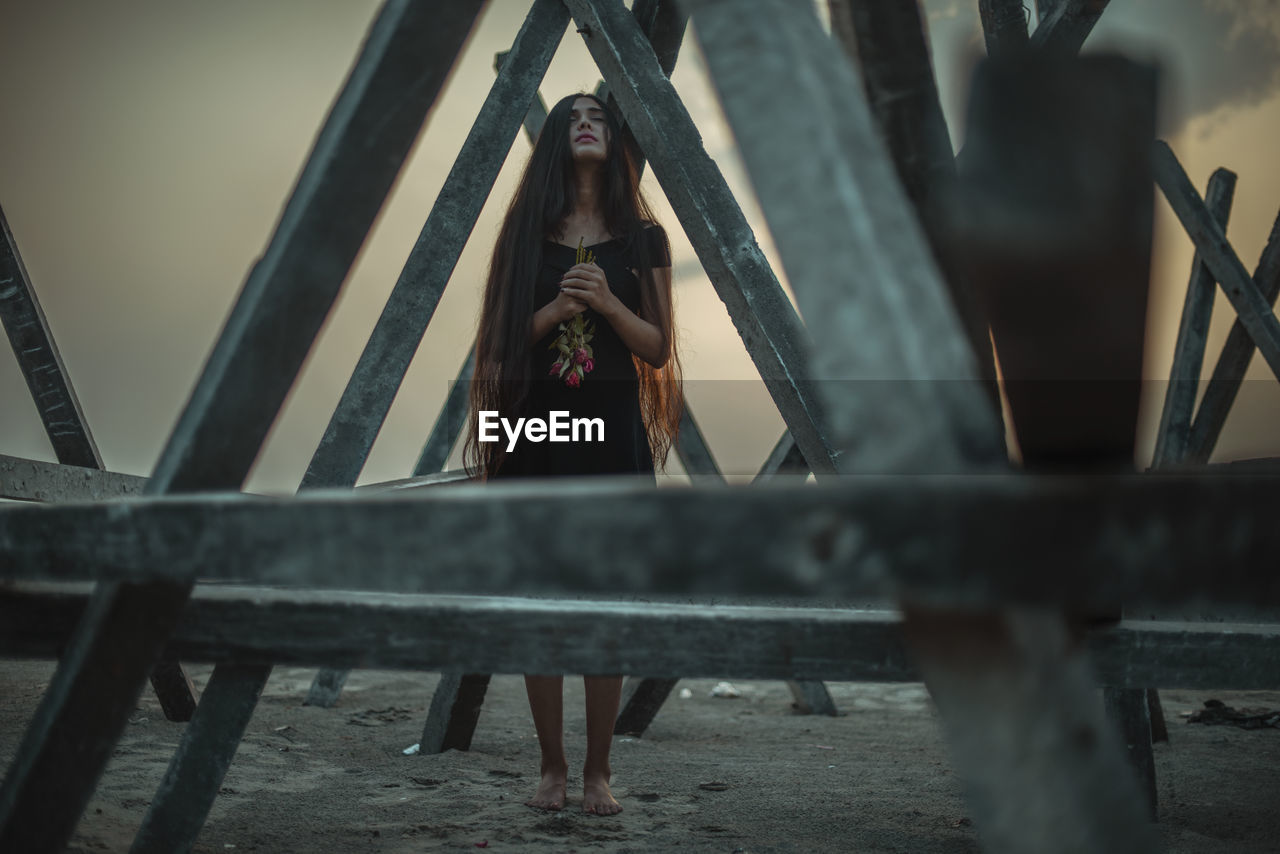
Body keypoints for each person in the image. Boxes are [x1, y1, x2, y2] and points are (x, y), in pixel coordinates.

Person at [463, 93, 683, 815]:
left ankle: (599, 772)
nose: (587, 120)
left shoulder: (644, 239)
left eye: (599, 114)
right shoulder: (525, 236)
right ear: (557, 139)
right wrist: (558, 310)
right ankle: (552, 767)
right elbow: (495, 349)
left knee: (606, 607)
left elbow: (657, 348)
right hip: (534, 441)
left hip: (612, 441)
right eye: (574, 115)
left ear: (613, 142)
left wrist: (610, 306)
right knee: (541, 605)